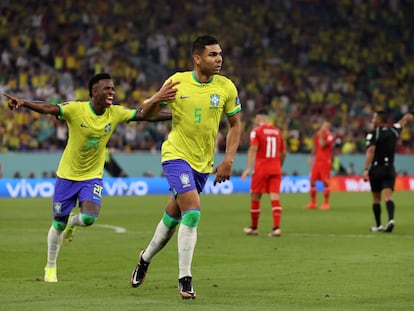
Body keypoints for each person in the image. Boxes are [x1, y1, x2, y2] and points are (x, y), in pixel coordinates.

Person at [3, 72, 178, 283]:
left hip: (92, 176)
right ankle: (50, 266)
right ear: (94, 92)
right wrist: (23, 102)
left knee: (89, 218)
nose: (112, 92)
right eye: (107, 89)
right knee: (57, 224)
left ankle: (73, 223)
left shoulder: (115, 113)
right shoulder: (76, 110)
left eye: (113, 89)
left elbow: (143, 115)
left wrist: (175, 116)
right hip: (67, 176)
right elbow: (49, 108)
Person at [130, 35, 242, 299]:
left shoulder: (226, 87)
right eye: (213, 55)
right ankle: (185, 279)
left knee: (172, 219)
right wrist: (157, 97)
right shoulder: (177, 81)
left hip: (203, 163)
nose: (219, 59)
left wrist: (228, 160)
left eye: (220, 54)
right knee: (192, 213)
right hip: (176, 155)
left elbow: (235, 125)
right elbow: (144, 115)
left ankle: (144, 258)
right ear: (197, 58)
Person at [363, 110, 413, 233]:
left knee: (376, 198)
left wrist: (365, 169)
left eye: (374, 118)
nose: (372, 120)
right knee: (388, 197)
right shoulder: (394, 130)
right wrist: (410, 115)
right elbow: (404, 121)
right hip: (390, 169)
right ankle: (391, 220)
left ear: (379, 120)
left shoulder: (374, 133)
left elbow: (371, 151)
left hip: (376, 168)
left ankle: (379, 225)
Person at [241, 109, 286, 237]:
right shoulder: (278, 131)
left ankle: (254, 227)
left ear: (258, 119)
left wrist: (248, 168)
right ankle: (276, 228)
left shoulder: (256, 131)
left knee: (255, 196)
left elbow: (253, 148)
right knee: (275, 197)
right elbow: (283, 153)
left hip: (261, 168)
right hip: (276, 168)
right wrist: (279, 165)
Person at [306, 120, 335, 210]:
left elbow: (322, 144)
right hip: (317, 161)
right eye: (323, 125)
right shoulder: (318, 134)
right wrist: (311, 157)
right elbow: (315, 145)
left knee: (325, 182)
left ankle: (326, 203)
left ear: (328, 127)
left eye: (326, 126)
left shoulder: (330, 136)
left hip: (325, 161)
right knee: (312, 180)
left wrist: (322, 135)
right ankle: (313, 203)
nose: (324, 127)